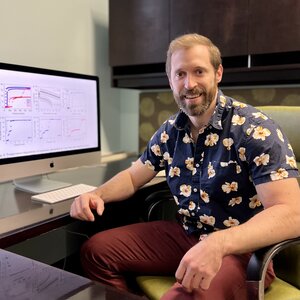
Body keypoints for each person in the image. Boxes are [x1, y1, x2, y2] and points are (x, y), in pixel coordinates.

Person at [70, 33, 300, 299]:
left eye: (199, 71)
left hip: (241, 249)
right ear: (170, 80)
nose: (189, 84)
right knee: (96, 252)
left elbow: (292, 214)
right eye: (180, 74)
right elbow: (133, 177)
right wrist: (97, 194)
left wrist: (219, 242)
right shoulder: (171, 130)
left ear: (218, 73)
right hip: (186, 234)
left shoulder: (254, 129)